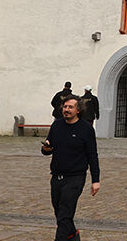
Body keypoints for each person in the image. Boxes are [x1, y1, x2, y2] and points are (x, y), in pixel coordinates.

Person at [41, 95, 100, 241]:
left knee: (65, 214)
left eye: (70, 107)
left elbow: (93, 155)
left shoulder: (86, 129)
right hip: (56, 176)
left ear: (78, 110)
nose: (66, 110)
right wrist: (46, 149)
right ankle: (74, 236)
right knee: (60, 214)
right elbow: (48, 148)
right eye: (65, 107)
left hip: (75, 177)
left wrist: (95, 180)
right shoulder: (56, 125)